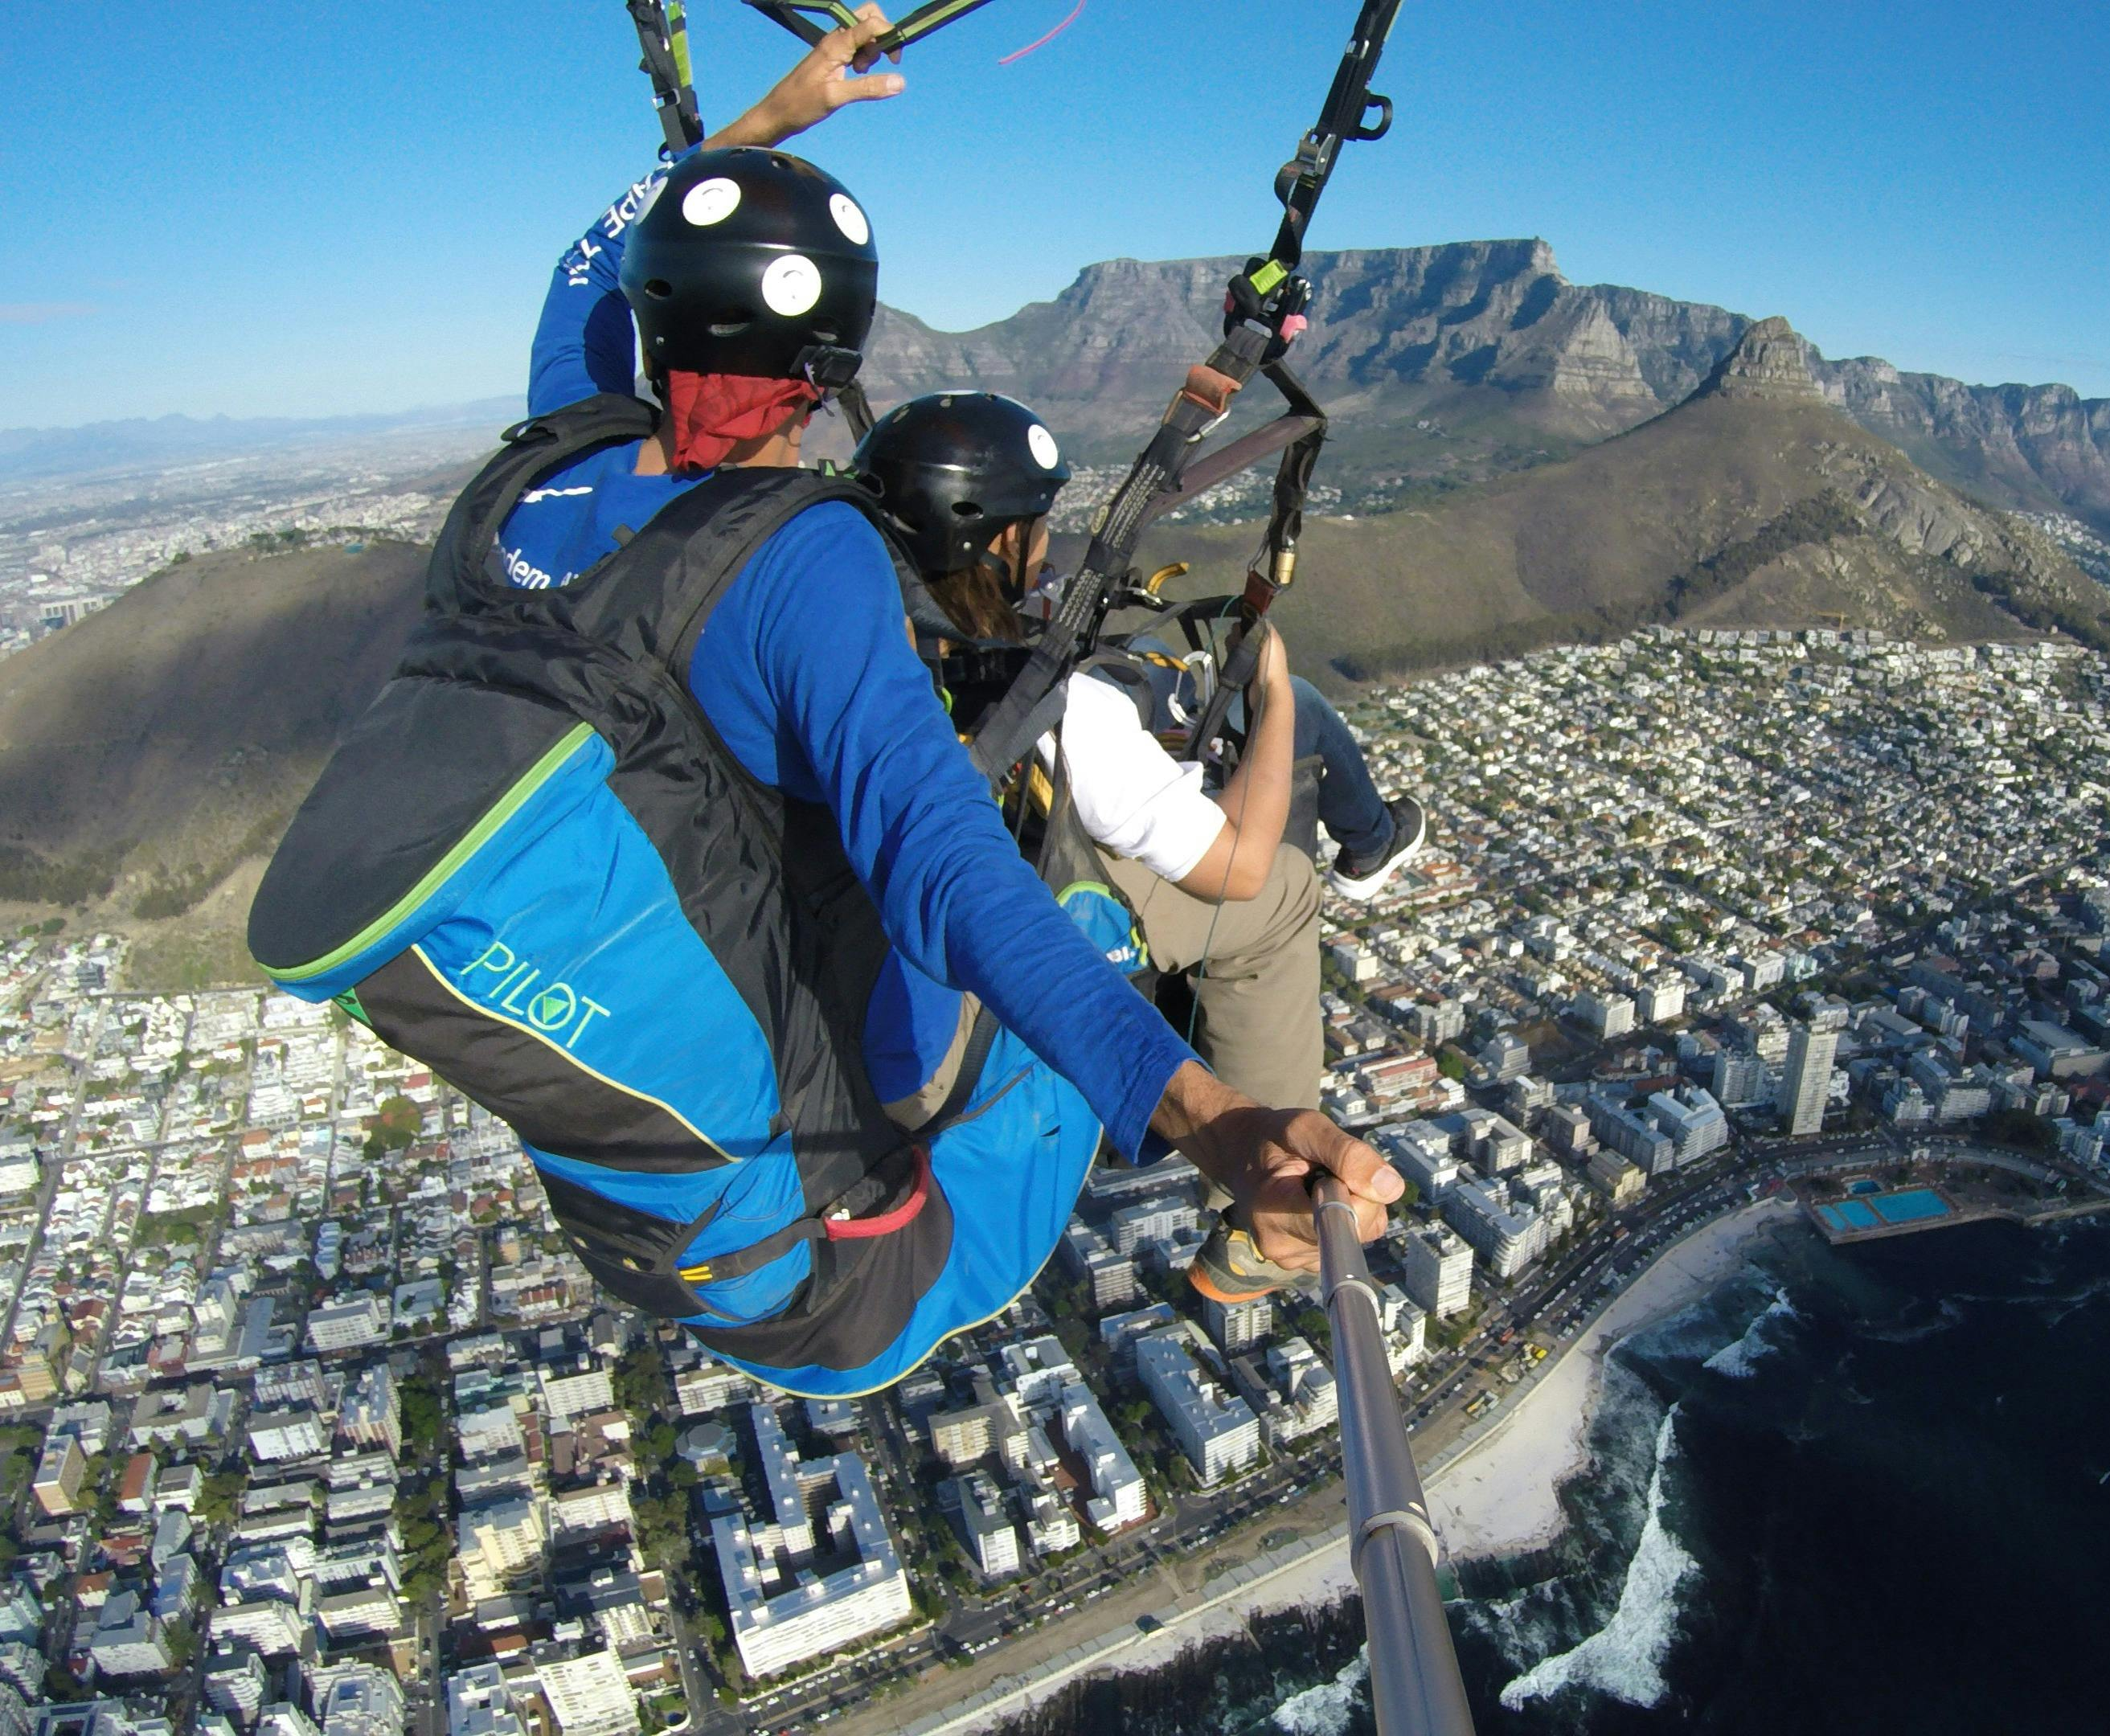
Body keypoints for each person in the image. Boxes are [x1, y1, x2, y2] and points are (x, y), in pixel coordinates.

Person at [245, 18, 1397, 1398]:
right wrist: (1208, 1119)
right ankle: (1244, 1241)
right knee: (1179, 910)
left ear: (652, 315)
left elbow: (579, 276)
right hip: (871, 1227)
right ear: (832, 357)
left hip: (683, 1198)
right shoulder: (797, 561)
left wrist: (764, 121)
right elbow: (942, 869)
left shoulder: (535, 477)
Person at [855, 391, 1428, 1116]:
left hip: (906, 904)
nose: (1044, 545)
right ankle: (1263, 1189)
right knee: (1283, 885)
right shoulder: (1061, 714)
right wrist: (1276, 689)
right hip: (1005, 931)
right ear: (1000, 543)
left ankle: (1371, 839)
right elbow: (1240, 871)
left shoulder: (864, 644)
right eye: (1036, 530)